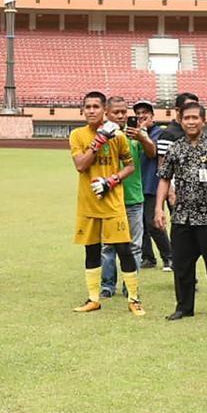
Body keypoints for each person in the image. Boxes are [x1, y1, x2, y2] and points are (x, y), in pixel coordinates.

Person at [155, 102, 207, 320]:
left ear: (203, 121)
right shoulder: (175, 148)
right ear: (181, 121)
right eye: (187, 118)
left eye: (195, 118)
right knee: (182, 265)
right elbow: (164, 179)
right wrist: (158, 209)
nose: (191, 122)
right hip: (182, 216)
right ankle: (183, 307)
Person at [68, 91, 143, 316]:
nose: (91, 110)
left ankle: (133, 299)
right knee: (91, 251)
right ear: (83, 111)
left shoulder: (119, 136)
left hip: (112, 203)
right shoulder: (77, 135)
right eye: (87, 107)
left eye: (96, 107)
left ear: (104, 111)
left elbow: (130, 165)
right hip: (88, 204)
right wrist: (99, 140)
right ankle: (93, 298)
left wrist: (112, 181)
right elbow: (81, 165)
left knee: (124, 250)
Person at [101, 96, 154, 299]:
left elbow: (151, 153)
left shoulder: (135, 135)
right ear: (107, 113)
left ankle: (130, 285)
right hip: (109, 197)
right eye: (117, 112)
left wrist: (143, 137)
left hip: (133, 198)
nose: (122, 116)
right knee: (108, 246)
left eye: (124, 112)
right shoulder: (102, 134)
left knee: (134, 245)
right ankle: (107, 285)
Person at [135, 100, 171, 272]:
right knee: (140, 223)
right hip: (137, 184)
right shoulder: (133, 133)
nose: (141, 116)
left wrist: (143, 134)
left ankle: (169, 257)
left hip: (153, 183)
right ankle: (148, 257)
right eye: (138, 113)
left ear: (152, 115)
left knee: (153, 223)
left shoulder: (159, 133)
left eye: (145, 113)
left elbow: (153, 152)